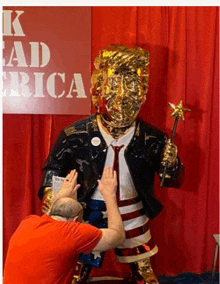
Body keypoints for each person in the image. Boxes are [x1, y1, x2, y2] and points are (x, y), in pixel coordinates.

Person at [39, 45, 184, 283]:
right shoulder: (75, 134)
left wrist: (172, 164)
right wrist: (49, 194)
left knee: (144, 274)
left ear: (144, 92)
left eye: (133, 87)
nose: (123, 97)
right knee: (76, 274)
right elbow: (53, 169)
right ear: (97, 92)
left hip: (132, 215)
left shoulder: (153, 138)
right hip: (88, 213)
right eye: (115, 86)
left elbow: (171, 179)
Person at [3, 167, 125, 284]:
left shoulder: (28, 222)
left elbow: (51, 214)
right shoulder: (74, 233)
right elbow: (117, 236)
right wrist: (110, 196)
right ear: (76, 220)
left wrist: (61, 194)